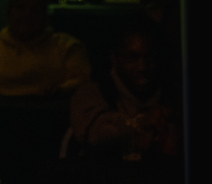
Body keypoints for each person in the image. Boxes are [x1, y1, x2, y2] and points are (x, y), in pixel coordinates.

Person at [65, 26, 180, 180]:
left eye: (149, 57)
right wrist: (140, 123)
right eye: (132, 59)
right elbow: (94, 133)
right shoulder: (92, 92)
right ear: (114, 58)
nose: (142, 66)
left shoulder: (172, 92)